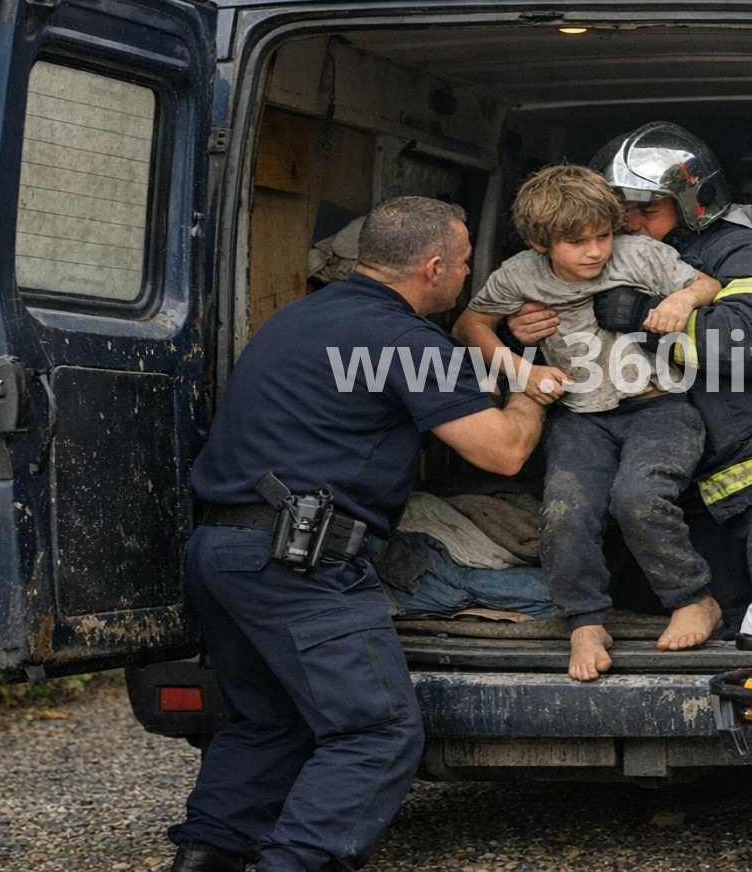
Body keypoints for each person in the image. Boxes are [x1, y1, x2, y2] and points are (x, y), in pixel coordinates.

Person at [169, 197, 547, 872]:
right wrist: (530, 387)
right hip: (297, 562)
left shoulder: (297, 317)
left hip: (221, 552)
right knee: (377, 731)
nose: (466, 275)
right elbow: (503, 453)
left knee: (269, 721)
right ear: (433, 267)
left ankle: (207, 858)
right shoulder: (408, 342)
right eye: (463, 263)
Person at [506, 123, 752, 607]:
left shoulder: (748, 253)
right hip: (707, 477)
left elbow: (749, 345)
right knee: (662, 603)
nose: (632, 224)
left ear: (693, 203)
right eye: (621, 214)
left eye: (649, 210)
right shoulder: (607, 261)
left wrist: (642, 317)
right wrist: (526, 331)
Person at [453, 164, 723, 680]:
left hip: (660, 406)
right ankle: (584, 621)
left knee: (638, 497)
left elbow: (708, 284)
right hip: (581, 416)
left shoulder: (639, 254)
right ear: (540, 243)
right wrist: (521, 369)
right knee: (565, 510)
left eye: (603, 235)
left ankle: (693, 598)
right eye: (576, 242)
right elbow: (471, 324)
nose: (595, 251)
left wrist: (681, 299)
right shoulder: (519, 275)